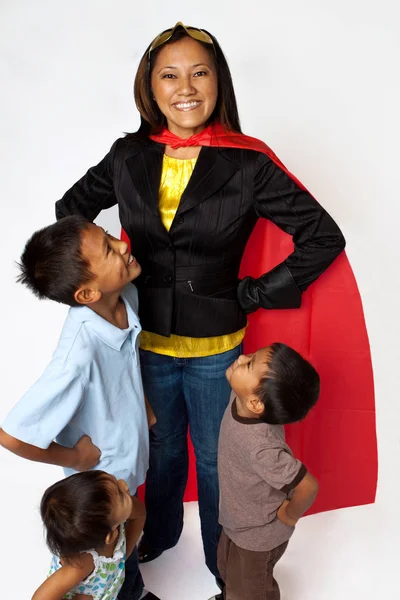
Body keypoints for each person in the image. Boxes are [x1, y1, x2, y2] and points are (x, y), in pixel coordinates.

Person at [54, 21, 346, 594]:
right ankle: (158, 534)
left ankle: (221, 555)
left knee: (219, 462)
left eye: (199, 72)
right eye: (169, 74)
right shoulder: (128, 155)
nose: (185, 86)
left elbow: (323, 236)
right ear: (150, 87)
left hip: (219, 349)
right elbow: (71, 211)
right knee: (159, 447)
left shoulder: (248, 163)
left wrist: (253, 292)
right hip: (146, 344)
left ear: (219, 83)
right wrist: (105, 288)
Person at [0, 216, 159, 600]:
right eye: (108, 248)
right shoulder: (77, 355)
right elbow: (10, 436)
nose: (121, 245)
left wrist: (144, 406)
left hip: (129, 456)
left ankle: (131, 587)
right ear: (86, 294)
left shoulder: (126, 297)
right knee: (111, 543)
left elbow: (126, 361)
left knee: (122, 547)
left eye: (108, 237)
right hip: (105, 482)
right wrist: (73, 455)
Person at [217, 343, 320, 600]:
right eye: (250, 357)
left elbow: (307, 486)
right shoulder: (241, 397)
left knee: (252, 591)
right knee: (227, 568)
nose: (241, 357)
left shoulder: (262, 447)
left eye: (249, 364)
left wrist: (289, 515)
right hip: (236, 519)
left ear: (255, 402)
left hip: (258, 534)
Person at [32, 471, 146, 600]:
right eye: (121, 494)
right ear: (110, 536)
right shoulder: (82, 563)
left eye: (115, 480)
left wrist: (124, 555)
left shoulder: (111, 512)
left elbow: (139, 515)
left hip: (113, 586)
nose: (124, 485)